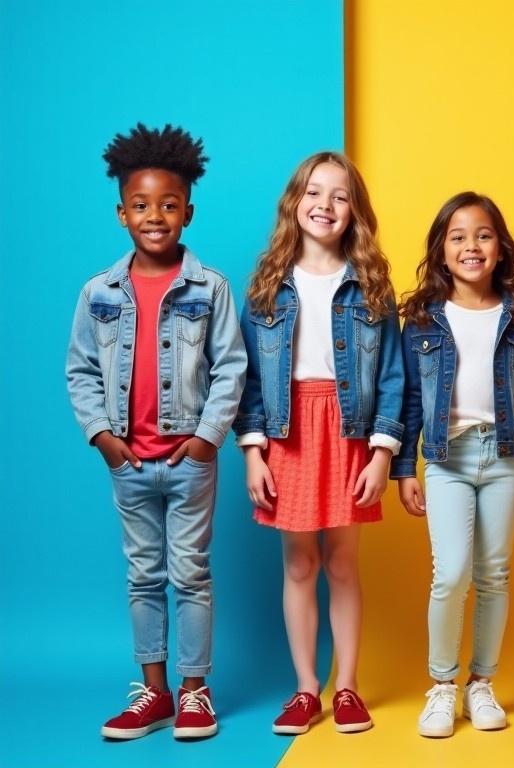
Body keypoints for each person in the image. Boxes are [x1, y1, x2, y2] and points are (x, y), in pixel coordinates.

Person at [67, 123, 246, 741]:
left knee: (190, 572)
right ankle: (155, 692)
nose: (155, 216)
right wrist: (102, 437)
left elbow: (231, 365)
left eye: (168, 205)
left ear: (188, 212)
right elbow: (81, 369)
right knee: (143, 574)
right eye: (141, 206)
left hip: (190, 461)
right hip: (129, 463)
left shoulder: (211, 287)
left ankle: (195, 693)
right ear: (122, 213)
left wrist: (206, 438)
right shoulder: (98, 292)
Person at [234, 152, 403, 735]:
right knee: (301, 562)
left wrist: (383, 454)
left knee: (344, 561)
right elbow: (248, 377)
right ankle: (307, 688)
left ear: (354, 210)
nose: (324, 205)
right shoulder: (266, 285)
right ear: (294, 204)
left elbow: (392, 378)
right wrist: (253, 452)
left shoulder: (373, 286)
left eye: (339, 195)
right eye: (313, 192)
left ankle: (347, 686)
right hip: (287, 431)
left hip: (350, 429)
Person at [392, 192, 514, 738]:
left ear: (501, 248)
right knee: (452, 573)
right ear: (440, 250)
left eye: (483, 235)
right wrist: (404, 469)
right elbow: (411, 397)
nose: (471, 246)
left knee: (494, 573)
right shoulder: (420, 318)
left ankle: (481, 684)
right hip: (446, 457)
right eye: (457, 237)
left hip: (506, 454)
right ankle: (441, 685)